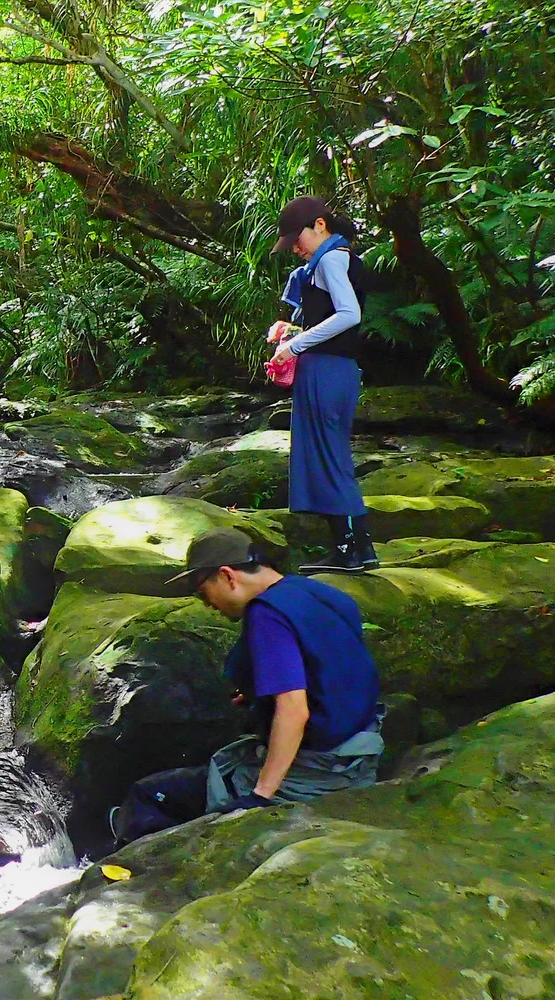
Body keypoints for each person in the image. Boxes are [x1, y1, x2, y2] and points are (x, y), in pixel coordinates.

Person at [107, 527, 384, 845]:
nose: (208, 604)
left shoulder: (266, 615)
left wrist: (260, 797)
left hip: (316, 773)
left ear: (227, 576)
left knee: (148, 795)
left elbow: (294, 711)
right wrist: (259, 694)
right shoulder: (319, 592)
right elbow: (337, 669)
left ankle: (137, 873)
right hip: (361, 757)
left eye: (202, 591)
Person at [271, 195, 377, 573]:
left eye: (298, 238)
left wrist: (293, 346)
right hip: (335, 368)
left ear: (320, 225)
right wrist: (293, 331)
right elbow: (332, 319)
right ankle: (358, 549)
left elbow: (349, 315)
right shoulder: (338, 258)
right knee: (329, 456)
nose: (296, 248)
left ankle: (349, 551)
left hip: (327, 371)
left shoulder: (332, 258)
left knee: (330, 459)